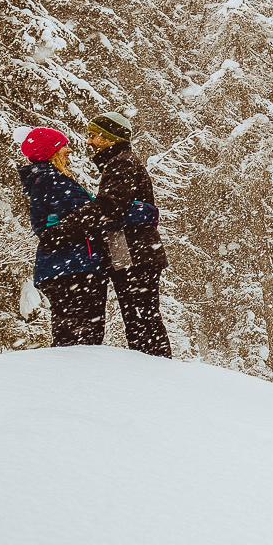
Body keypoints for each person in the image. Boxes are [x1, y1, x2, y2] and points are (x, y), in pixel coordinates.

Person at [59, 108, 172, 358]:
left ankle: (156, 369)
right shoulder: (120, 162)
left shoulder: (121, 163)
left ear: (109, 138)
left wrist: (69, 223)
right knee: (141, 315)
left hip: (134, 253)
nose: (88, 142)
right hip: (134, 252)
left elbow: (110, 206)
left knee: (140, 317)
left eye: (93, 135)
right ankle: (155, 366)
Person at [16, 127, 108, 347]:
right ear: (51, 152)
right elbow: (54, 227)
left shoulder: (51, 181)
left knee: (73, 334)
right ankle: (75, 377)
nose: (69, 151)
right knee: (82, 337)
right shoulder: (51, 181)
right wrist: (98, 213)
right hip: (74, 268)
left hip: (67, 267)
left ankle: (69, 376)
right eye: (63, 147)